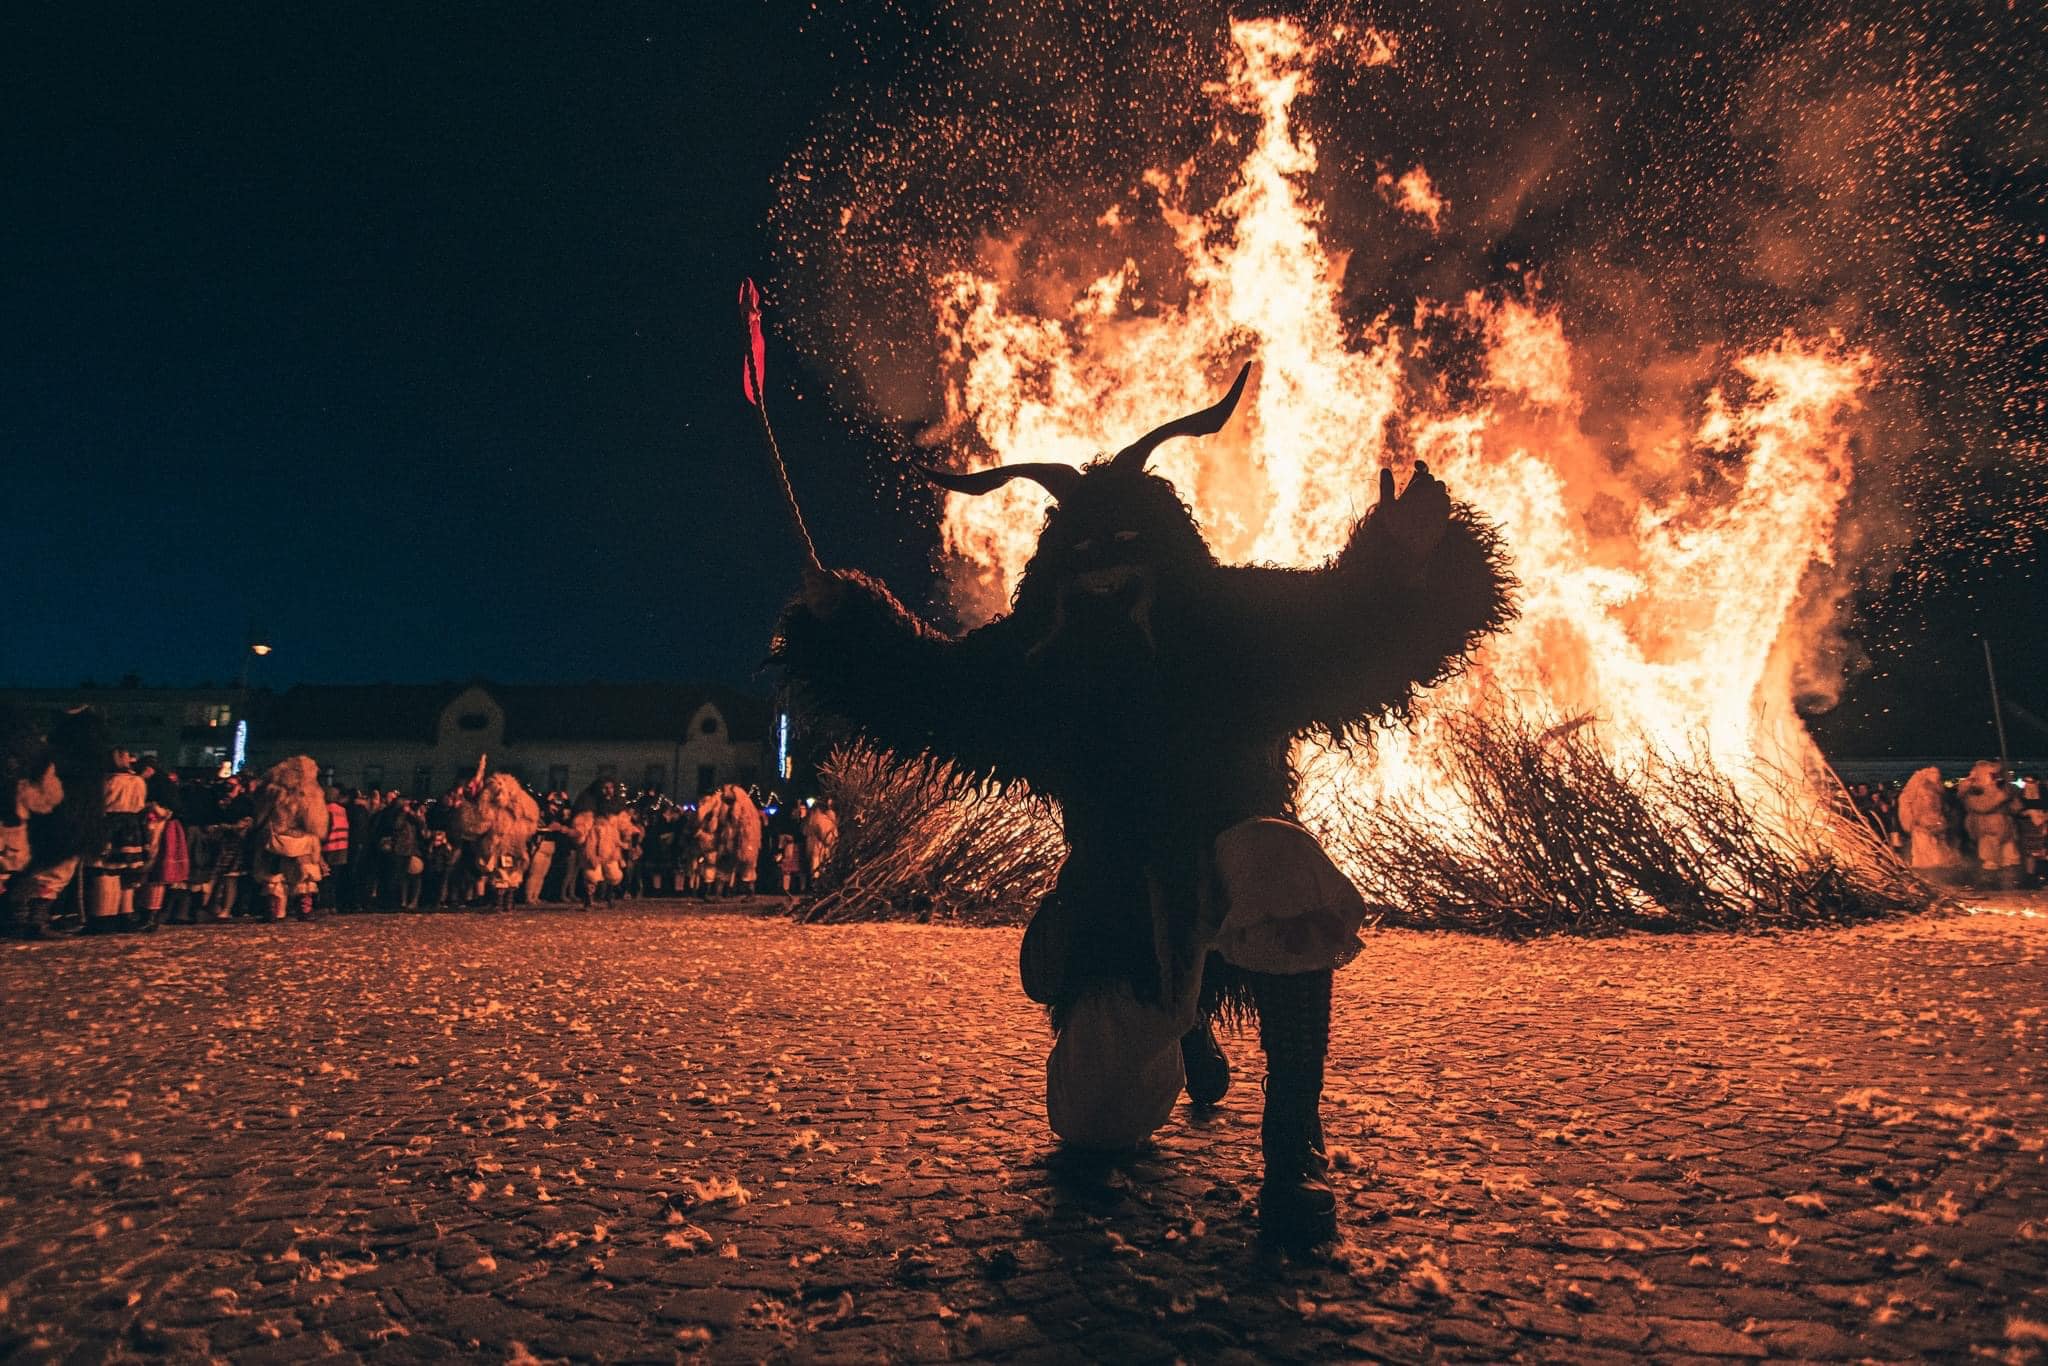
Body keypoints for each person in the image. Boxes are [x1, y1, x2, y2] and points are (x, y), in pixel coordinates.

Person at [775, 367, 1513, 1246]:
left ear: (1163, 543)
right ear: (1058, 565)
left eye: (1127, 540)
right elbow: (932, 689)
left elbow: (1344, 623)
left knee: (1285, 868)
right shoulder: (1040, 666)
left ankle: (1293, 1149)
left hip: (1236, 854)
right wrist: (847, 626)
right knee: (1090, 1126)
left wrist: (1403, 557)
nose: (1106, 565)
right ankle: (1183, 1027)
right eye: (1084, 551)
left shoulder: (1235, 621)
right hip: (1123, 897)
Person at [252, 756, 329, 920]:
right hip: (302, 840)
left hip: (277, 839)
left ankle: (275, 911)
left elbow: (261, 816)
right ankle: (304, 910)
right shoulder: (311, 793)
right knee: (304, 876)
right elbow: (315, 823)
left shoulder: (273, 791)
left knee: (275, 875)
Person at [1957, 760, 2023, 890]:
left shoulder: (2003, 790)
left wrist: (2011, 799)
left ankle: (2009, 882)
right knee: (1990, 857)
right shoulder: (1974, 792)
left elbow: (2017, 808)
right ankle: (1990, 882)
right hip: (1987, 829)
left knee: (2009, 857)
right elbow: (1982, 807)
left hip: (2006, 828)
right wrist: (2001, 797)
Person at [803, 797, 839, 889]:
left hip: (812, 847)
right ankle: (819, 886)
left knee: (814, 866)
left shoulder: (810, 819)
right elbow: (827, 837)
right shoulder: (822, 819)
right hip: (820, 849)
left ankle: (815, 884)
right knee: (819, 867)